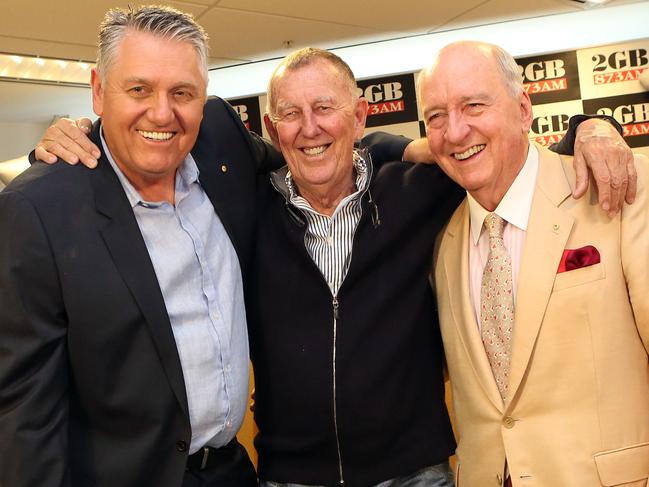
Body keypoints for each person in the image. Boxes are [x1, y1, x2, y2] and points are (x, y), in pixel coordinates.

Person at [25, 47, 634, 487]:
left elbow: (502, 154)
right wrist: (77, 133)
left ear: (361, 118)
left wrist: (592, 126)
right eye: (290, 113)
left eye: (326, 108)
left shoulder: (421, 191)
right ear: (271, 128)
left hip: (415, 475)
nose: (310, 128)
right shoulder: (242, 208)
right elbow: (137, 145)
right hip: (291, 478)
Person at [0, 6, 268, 487]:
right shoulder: (38, 211)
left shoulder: (222, 139)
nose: (162, 113)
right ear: (99, 91)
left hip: (231, 472)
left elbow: (312, 156)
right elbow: (23, 413)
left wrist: (412, 151)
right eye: (139, 89)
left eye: (182, 93)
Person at [421, 41, 649, 487]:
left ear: (524, 109)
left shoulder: (618, 190)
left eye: (474, 105)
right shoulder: (442, 240)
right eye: (436, 117)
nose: (455, 131)